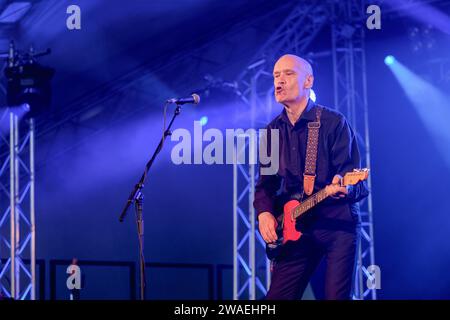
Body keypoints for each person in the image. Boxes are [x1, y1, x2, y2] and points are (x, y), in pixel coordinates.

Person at [254, 54, 369, 300]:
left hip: (336, 225)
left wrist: (346, 188)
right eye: (275, 75)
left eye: (288, 74)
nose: (279, 81)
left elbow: (355, 182)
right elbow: (265, 184)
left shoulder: (333, 122)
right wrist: (264, 213)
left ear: (308, 81)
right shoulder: (272, 131)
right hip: (297, 228)